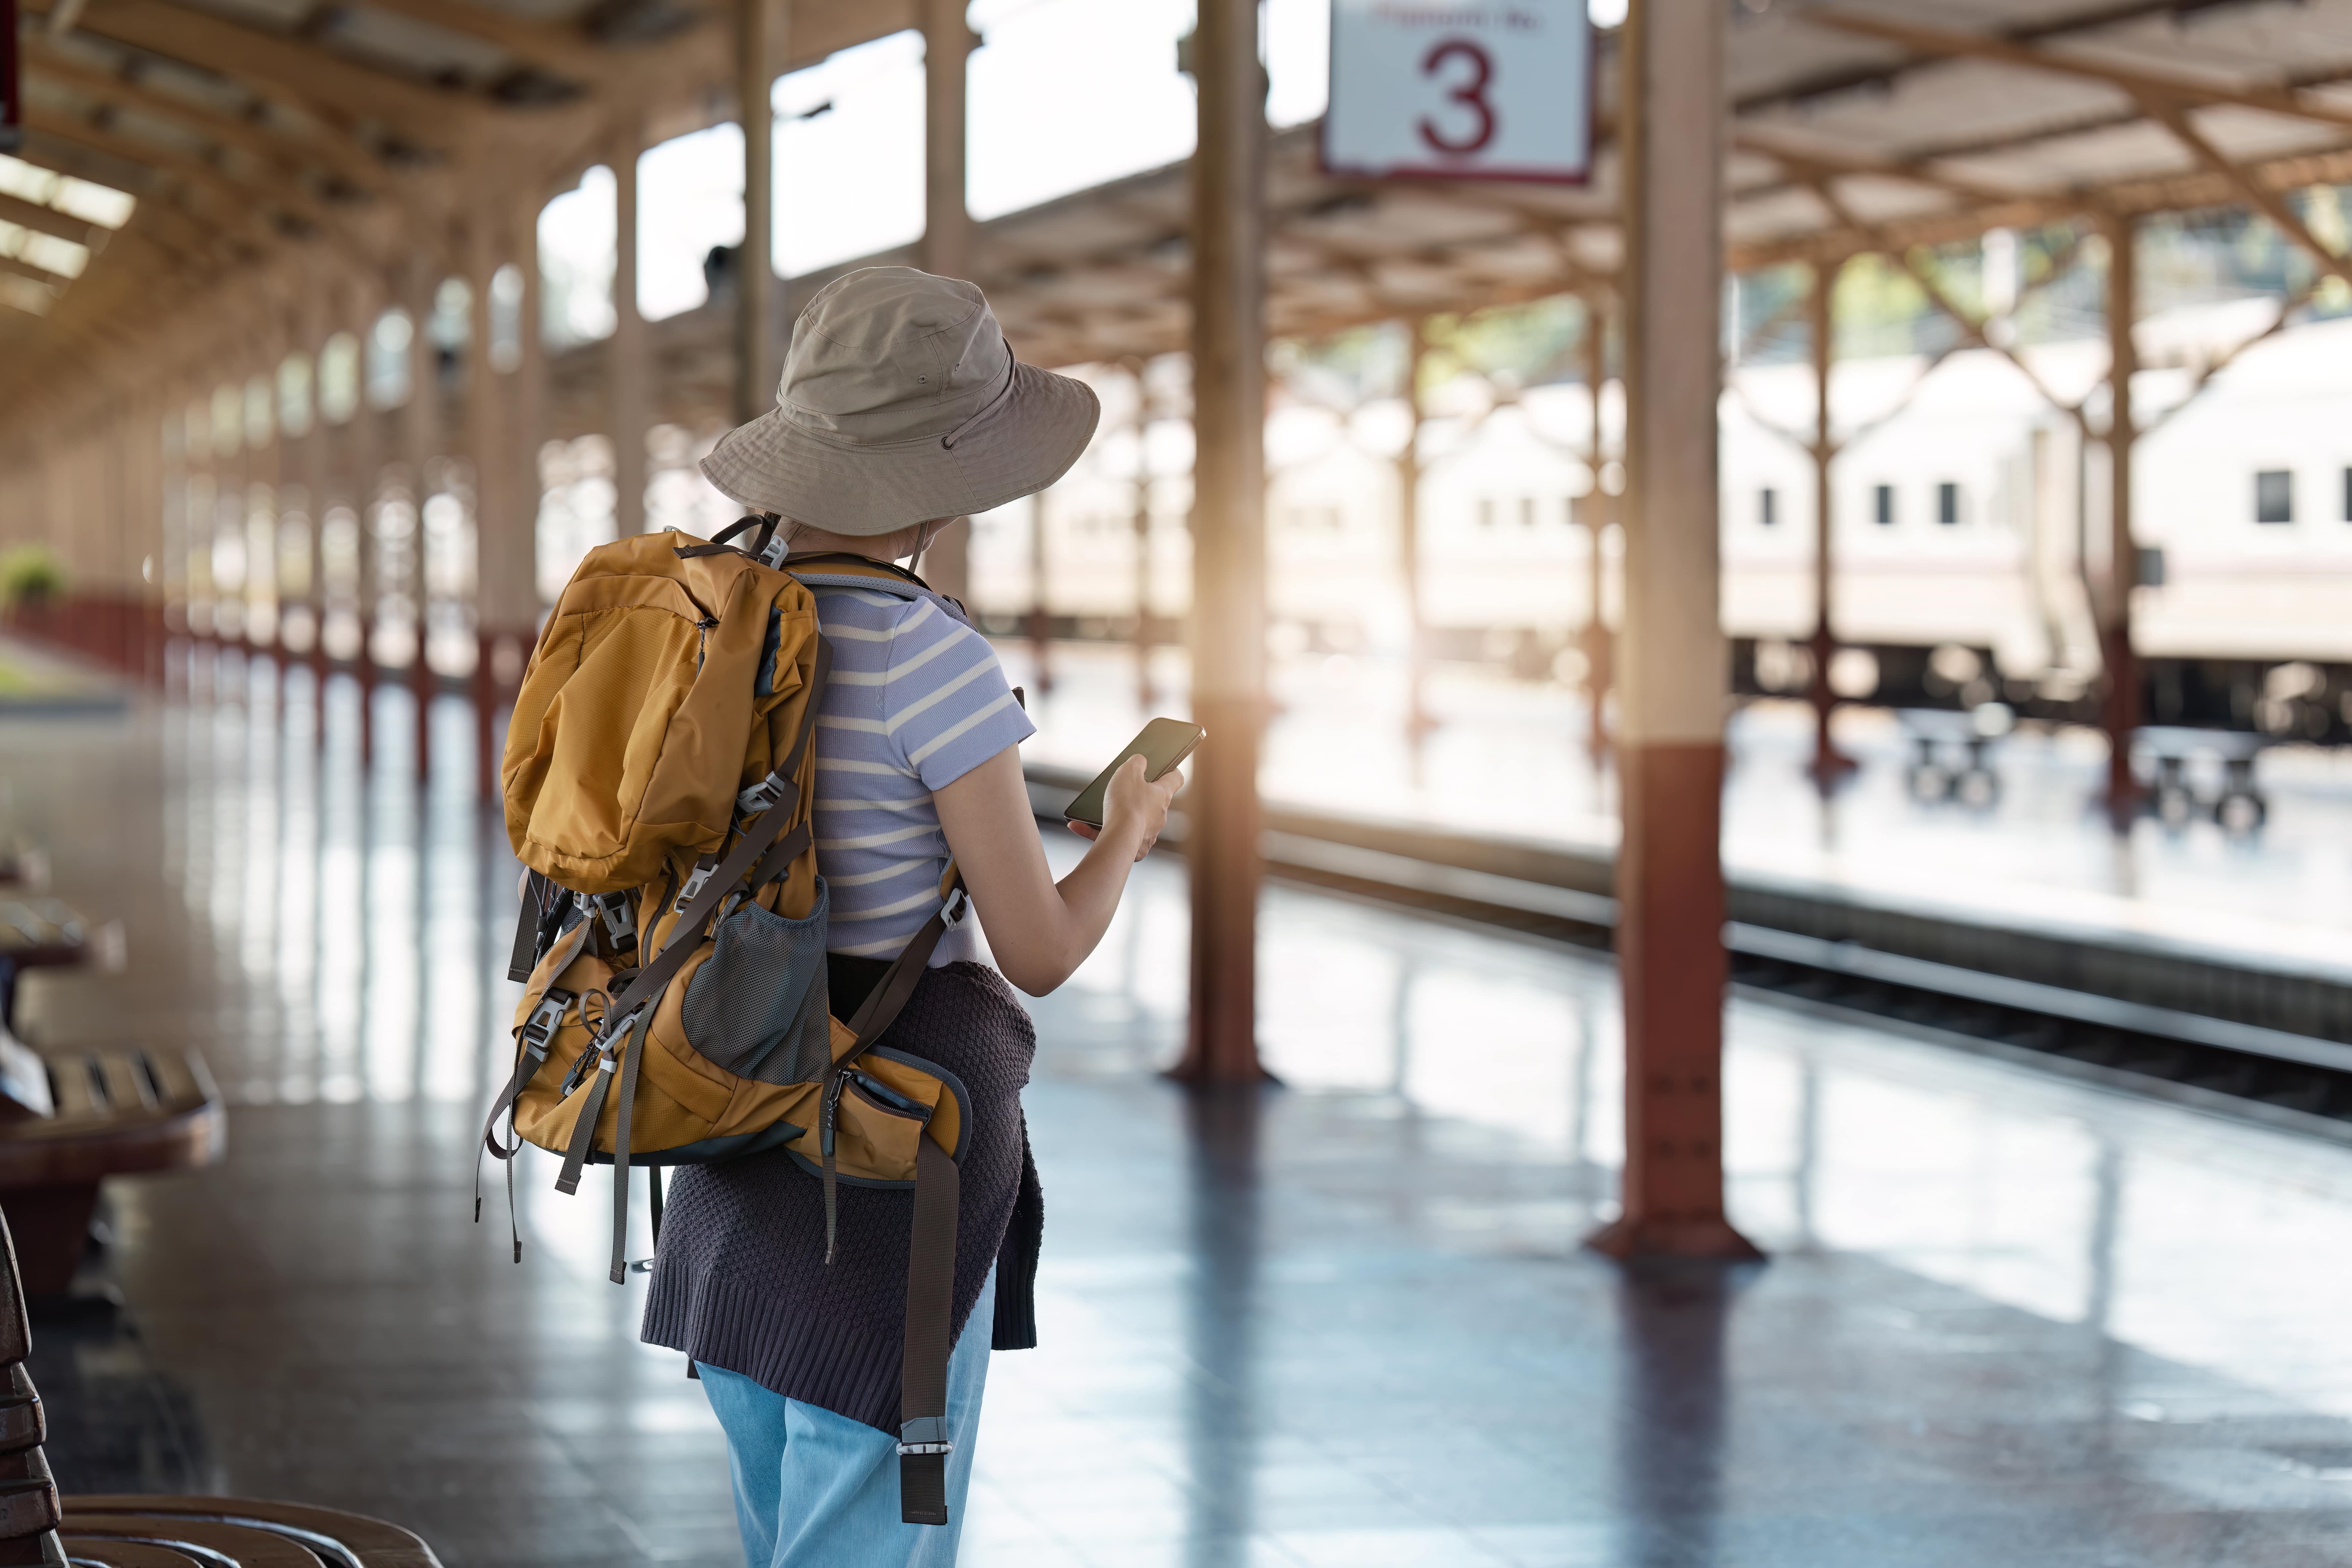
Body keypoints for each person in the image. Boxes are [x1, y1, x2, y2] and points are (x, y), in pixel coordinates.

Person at [640, 266, 1182, 1568]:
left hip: (721, 1141)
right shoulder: (931, 653)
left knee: (786, 1536)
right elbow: (1040, 949)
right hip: (876, 1165)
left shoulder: (719, 629)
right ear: (942, 482)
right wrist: (1127, 837)